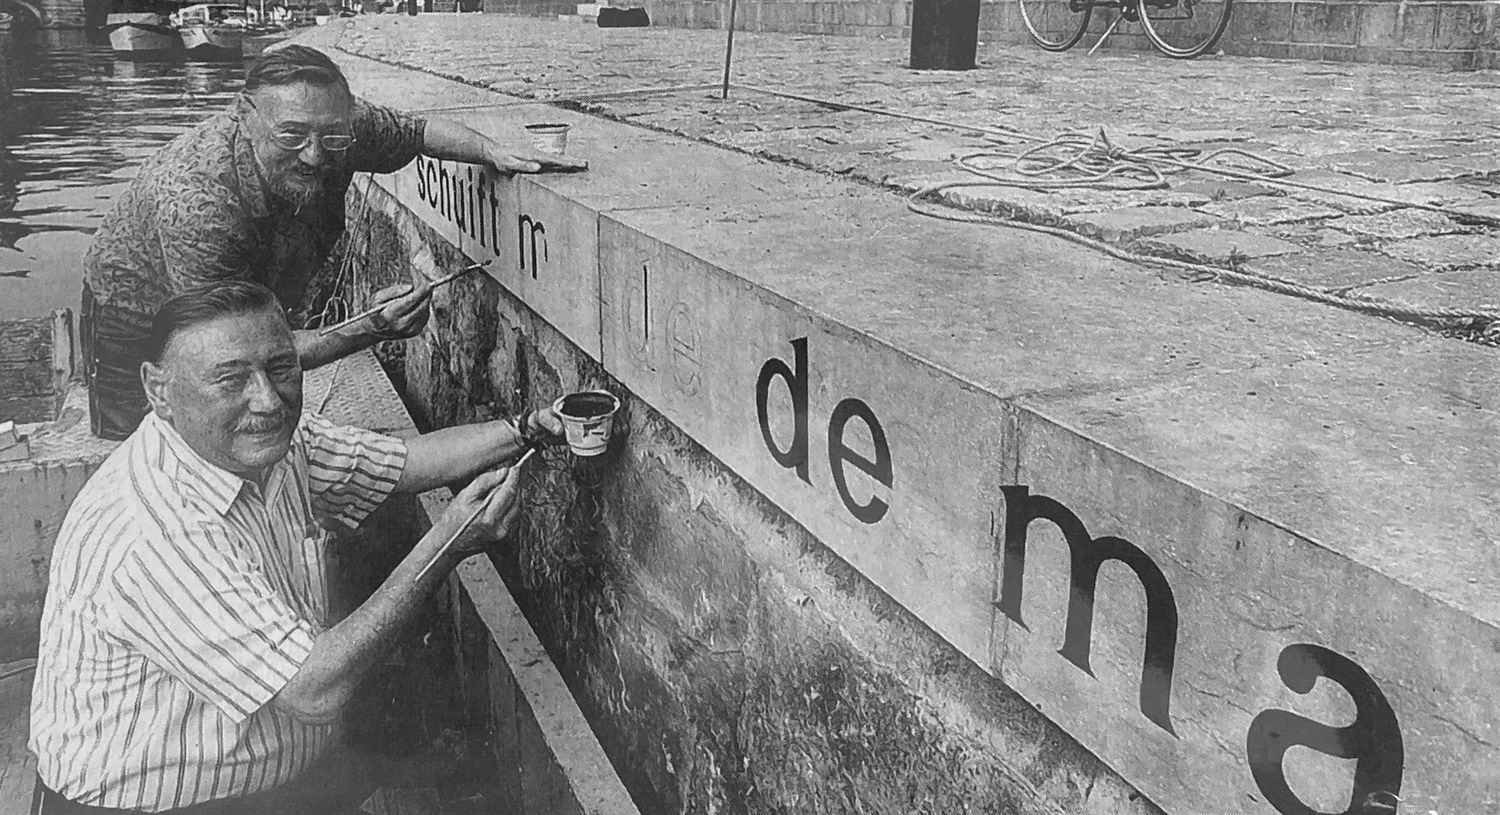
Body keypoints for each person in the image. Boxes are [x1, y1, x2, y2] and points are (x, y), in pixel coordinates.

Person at [30, 281, 563, 813]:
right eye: (230, 378)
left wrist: (527, 429)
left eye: (282, 368)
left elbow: (404, 461)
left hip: (268, 772)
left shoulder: (258, 442)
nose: (267, 400)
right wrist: (446, 543)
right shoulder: (155, 530)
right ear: (158, 390)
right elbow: (315, 692)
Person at [82, 44, 585, 441]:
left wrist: (493, 151)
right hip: (134, 309)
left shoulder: (337, 126)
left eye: (333, 139)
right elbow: (240, 350)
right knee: (164, 439)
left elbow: (418, 132)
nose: (315, 156)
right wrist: (369, 328)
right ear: (244, 115)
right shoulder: (200, 205)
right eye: (291, 137)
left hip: (255, 281)